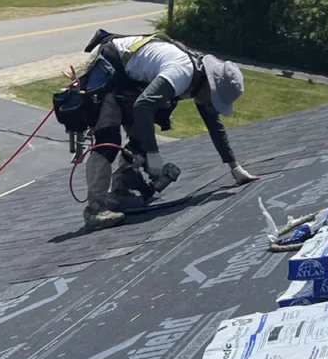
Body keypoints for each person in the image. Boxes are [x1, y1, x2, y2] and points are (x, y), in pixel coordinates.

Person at [82, 31, 259, 230]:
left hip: (131, 78)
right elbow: (143, 106)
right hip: (111, 64)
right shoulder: (182, 71)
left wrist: (234, 167)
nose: (212, 105)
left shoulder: (200, 83)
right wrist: (153, 153)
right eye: (214, 99)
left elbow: (213, 124)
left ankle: (120, 192)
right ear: (210, 85)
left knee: (142, 134)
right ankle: (95, 210)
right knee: (108, 140)